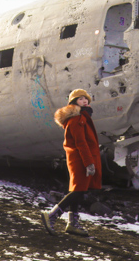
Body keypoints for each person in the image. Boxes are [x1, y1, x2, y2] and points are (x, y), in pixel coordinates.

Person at [41, 89, 102, 236]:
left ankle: (72, 224)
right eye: (80, 99)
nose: (84, 101)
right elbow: (81, 143)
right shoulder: (77, 119)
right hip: (80, 159)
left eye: (86, 98)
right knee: (78, 190)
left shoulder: (82, 118)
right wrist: (89, 163)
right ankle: (52, 215)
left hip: (80, 158)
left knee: (78, 190)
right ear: (74, 103)